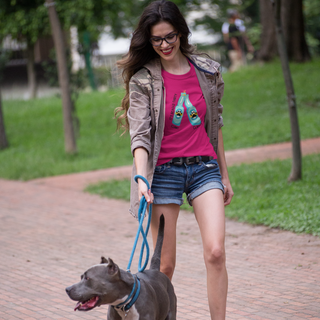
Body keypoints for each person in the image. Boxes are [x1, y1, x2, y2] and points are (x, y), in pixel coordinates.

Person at [116, 1, 234, 319]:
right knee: (163, 266)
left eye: (170, 37)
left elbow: (215, 124)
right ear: (149, 41)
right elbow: (139, 137)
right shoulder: (144, 80)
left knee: (216, 251)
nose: (165, 45)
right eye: (157, 40)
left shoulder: (207, 71)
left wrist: (224, 174)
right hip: (163, 174)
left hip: (203, 169)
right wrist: (142, 178)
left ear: (181, 33)